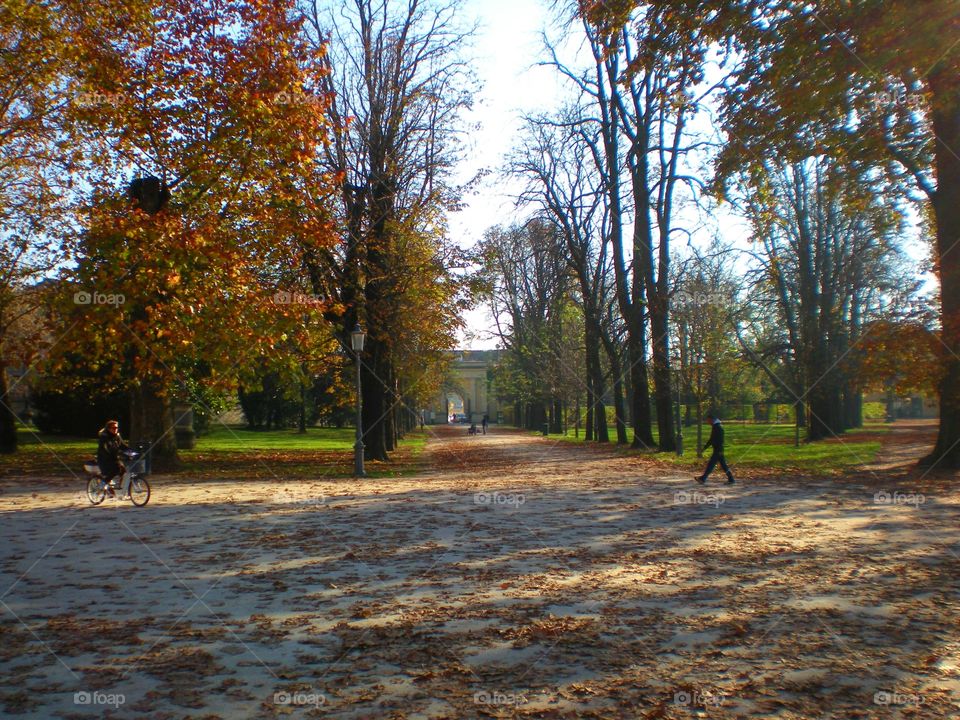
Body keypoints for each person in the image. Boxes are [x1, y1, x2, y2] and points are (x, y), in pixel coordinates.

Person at [695, 412, 735, 484]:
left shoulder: (718, 427)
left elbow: (718, 440)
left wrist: (718, 450)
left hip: (718, 450)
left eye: (708, 420)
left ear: (712, 419)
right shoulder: (716, 426)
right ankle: (731, 479)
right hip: (718, 450)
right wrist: (704, 448)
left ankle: (703, 478)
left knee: (711, 464)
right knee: (723, 465)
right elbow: (711, 439)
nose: (707, 422)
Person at [97, 420, 129, 494]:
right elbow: (108, 449)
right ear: (108, 428)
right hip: (104, 460)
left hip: (114, 459)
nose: (115, 429)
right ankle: (102, 484)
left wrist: (133, 453)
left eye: (116, 428)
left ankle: (120, 490)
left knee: (124, 471)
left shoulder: (117, 436)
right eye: (113, 428)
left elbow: (123, 446)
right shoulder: (104, 437)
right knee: (115, 470)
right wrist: (119, 453)